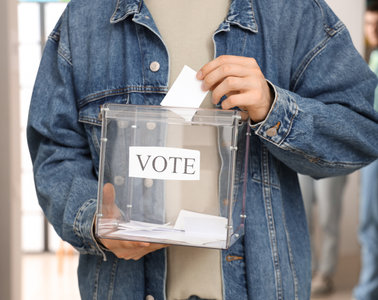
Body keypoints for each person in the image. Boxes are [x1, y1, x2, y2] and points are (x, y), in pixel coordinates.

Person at [27, 0, 378, 299]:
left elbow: (363, 128)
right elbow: (54, 149)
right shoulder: (84, 17)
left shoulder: (291, 11)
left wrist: (274, 107)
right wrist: (95, 220)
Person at [353, 3, 378, 300]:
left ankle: (365, 292)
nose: (371, 31)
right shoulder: (369, 58)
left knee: (368, 224)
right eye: (369, 24)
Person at [298, 174, 347, 296]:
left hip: (332, 159)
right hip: (300, 158)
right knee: (302, 218)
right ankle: (310, 270)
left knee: (328, 218)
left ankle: (325, 273)